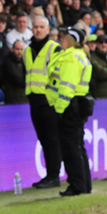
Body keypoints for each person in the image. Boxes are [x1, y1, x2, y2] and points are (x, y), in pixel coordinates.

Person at [47, 27, 93, 196]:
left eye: (64, 37)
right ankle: (83, 184)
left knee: (71, 149)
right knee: (77, 147)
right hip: (75, 105)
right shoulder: (77, 55)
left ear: (71, 39)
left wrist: (59, 109)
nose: (61, 39)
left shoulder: (72, 58)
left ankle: (77, 185)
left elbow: (66, 87)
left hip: (68, 108)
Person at [23, 15, 62, 189]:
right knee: (44, 139)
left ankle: (54, 175)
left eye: (41, 27)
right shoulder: (27, 50)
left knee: (52, 138)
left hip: (49, 100)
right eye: (35, 27)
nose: (37, 30)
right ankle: (51, 174)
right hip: (33, 99)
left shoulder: (54, 49)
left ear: (47, 29)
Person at [2, 39, 27, 104]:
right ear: (12, 49)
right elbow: (15, 78)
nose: (19, 52)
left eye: (21, 49)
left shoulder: (26, 62)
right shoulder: (7, 62)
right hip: (12, 100)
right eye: (17, 49)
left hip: (25, 100)